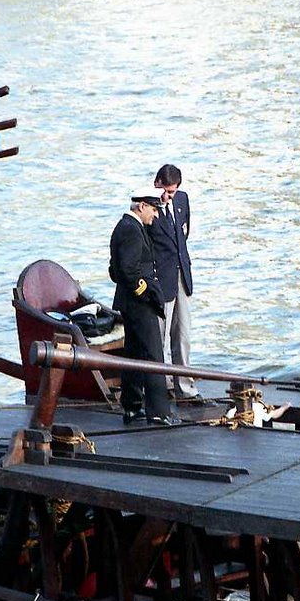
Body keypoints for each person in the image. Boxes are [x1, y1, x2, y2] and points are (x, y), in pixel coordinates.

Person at [109, 196, 181, 427]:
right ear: (141, 207)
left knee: (134, 353)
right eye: (153, 209)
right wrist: (146, 293)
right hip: (139, 304)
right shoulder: (131, 230)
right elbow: (128, 271)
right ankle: (159, 411)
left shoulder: (127, 226)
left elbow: (114, 269)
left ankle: (132, 406)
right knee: (152, 355)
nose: (155, 215)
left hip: (128, 304)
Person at [148, 163, 200, 401]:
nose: (167, 196)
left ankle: (186, 386)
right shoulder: (147, 206)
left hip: (181, 275)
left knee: (183, 333)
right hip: (161, 279)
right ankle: (162, 385)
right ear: (156, 183)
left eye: (172, 192)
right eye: (165, 191)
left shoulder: (182, 200)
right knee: (160, 335)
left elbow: (184, 234)